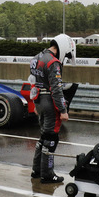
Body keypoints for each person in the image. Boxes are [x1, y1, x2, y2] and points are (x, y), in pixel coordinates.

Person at [29, 33, 76, 183]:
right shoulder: (53, 62)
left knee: (43, 137)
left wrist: (35, 105)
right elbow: (56, 89)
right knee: (51, 139)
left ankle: (37, 170)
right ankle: (47, 174)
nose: (66, 57)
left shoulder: (36, 58)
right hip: (49, 102)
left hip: (38, 100)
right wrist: (63, 110)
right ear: (63, 47)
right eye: (67, 54)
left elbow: (32, 82)